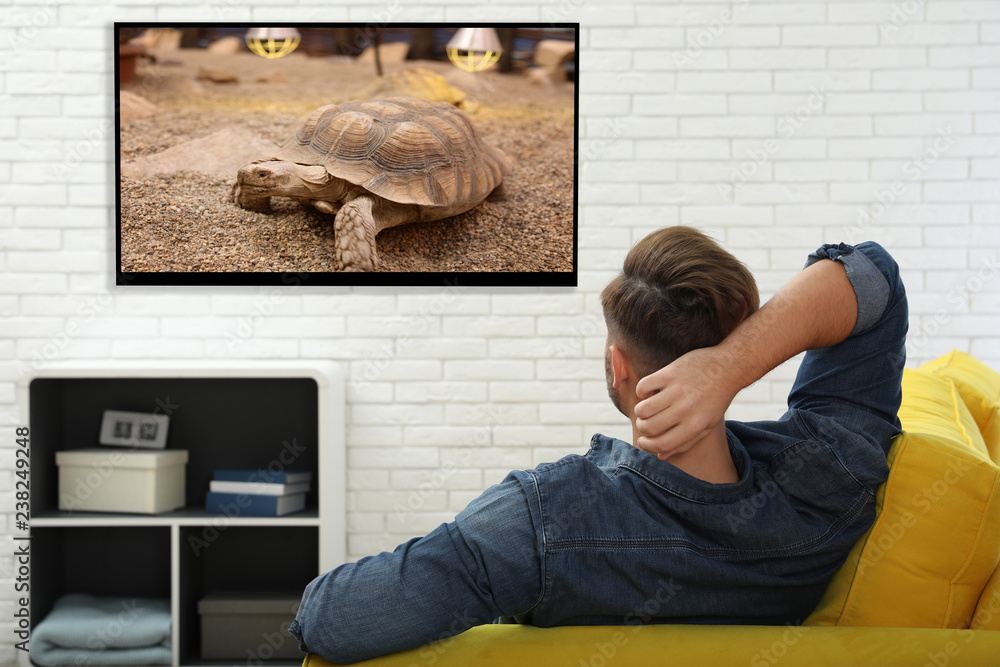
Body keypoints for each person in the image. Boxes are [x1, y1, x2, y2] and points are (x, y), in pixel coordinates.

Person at [289, 227, 908, 664]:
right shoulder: (825, 480)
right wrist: (729, 366)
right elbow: (872, 275)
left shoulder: (543, 520)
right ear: (737, 330)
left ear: (619, 365)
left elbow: (332, 620)